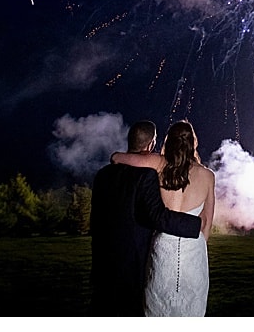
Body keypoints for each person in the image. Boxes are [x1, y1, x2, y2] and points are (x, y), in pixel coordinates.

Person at [89, 120, 202, 316]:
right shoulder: (146, 175)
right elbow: (157, 216)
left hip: (102, 262)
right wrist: (196, 224)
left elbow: (96, 218)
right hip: (133, 264)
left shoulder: (102, 175)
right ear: (150, 145)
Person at [143, 120, 216, 316]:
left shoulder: (159, 165)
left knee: (158, 308)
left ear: (170, 141)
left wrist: (117, 156)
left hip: (162, 248)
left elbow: (128, 159)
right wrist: (198, 249)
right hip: (193, 250)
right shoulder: (207, 176)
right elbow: (207, 222)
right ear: (193, 142)